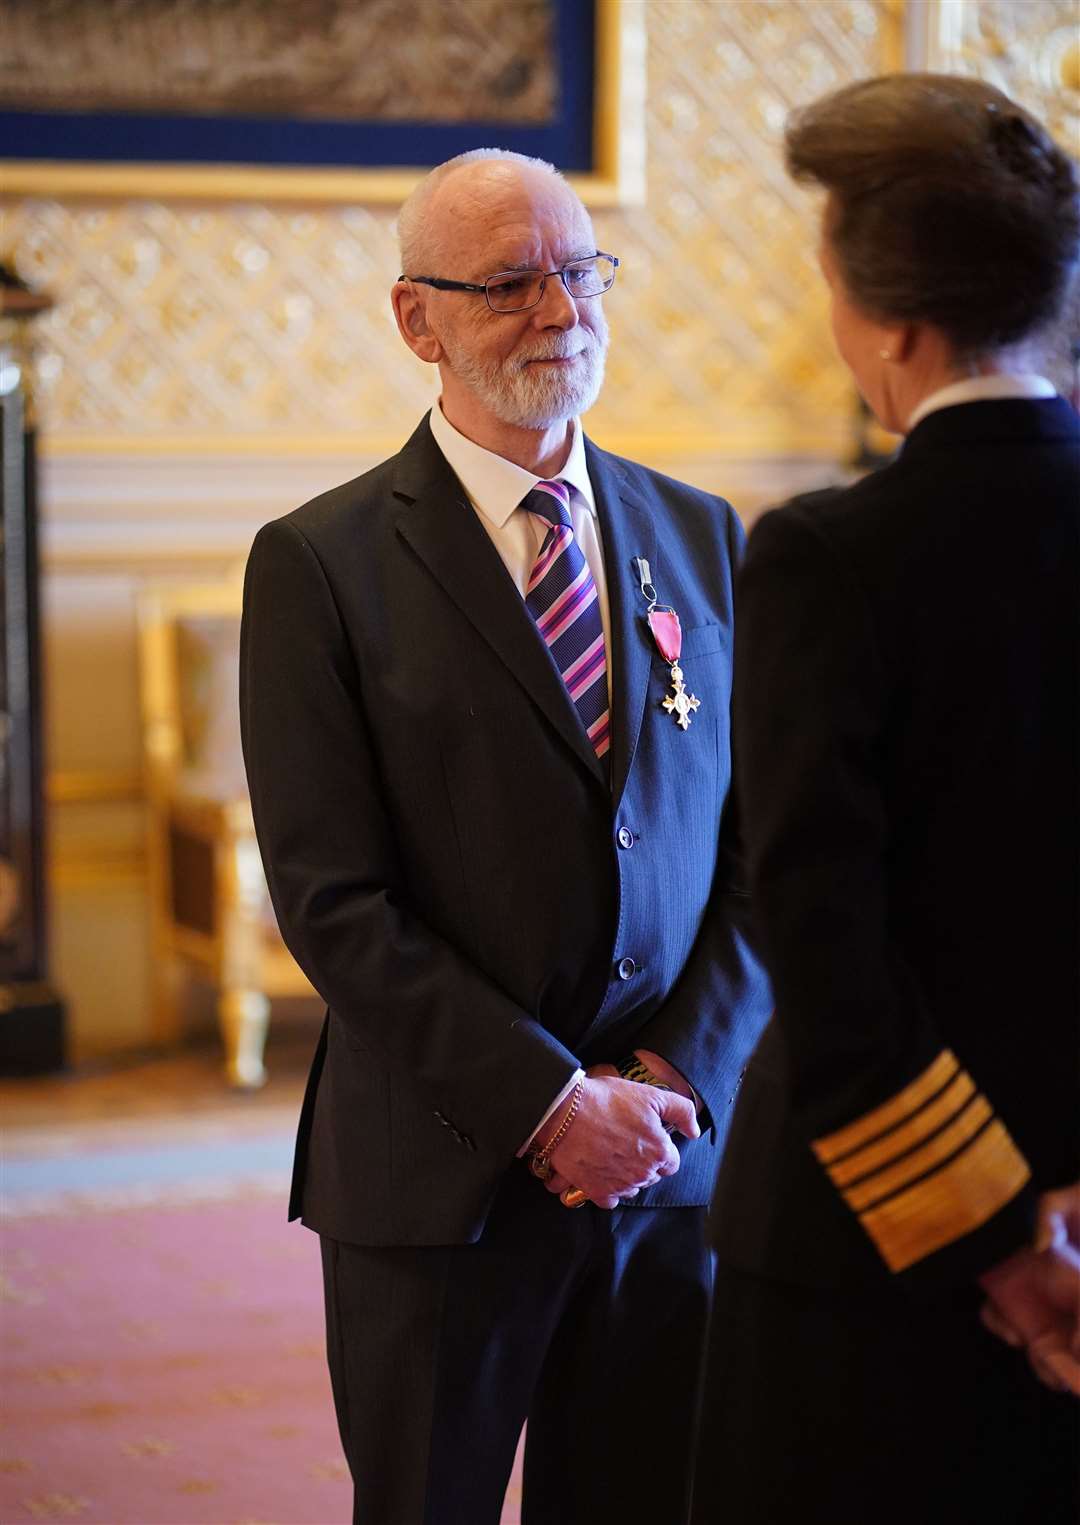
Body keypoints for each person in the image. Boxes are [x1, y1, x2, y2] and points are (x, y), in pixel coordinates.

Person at [240, 148, 770, 1525]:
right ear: (417, 319)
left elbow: (765, 847)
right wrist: (551, 1101)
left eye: (581, 270)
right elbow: (332, 898)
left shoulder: (702, 535)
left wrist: (669, 1078)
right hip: (440, 1173)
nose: (561, 311)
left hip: (667, 1159)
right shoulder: (321, 564)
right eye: (510, 284)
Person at [692, 74, 1080, 1525]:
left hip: (868, 1264)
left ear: (893, 330)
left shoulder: (827, 557)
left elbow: (821, 937)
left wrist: (999, 1245)